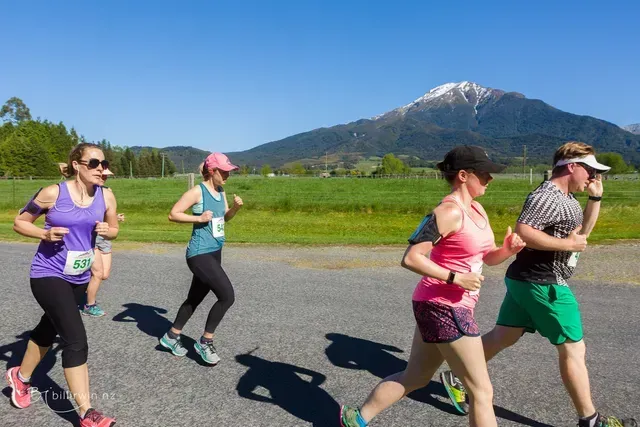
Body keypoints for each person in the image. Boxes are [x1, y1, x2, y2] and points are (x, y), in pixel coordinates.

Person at [440, 142, 637, 427]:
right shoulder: (547, 195)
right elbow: (524, 231)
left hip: (525, 281)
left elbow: (580, 238)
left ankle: (457, 375)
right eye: (590, 171)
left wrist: (595, 201)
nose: (593, 177)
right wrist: (565, 243)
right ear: (572, 166)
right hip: (543, 283)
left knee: (503, 337)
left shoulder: (568, 198)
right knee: (573, 349)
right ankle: (591, 421)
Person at [340, 145, 526, 427]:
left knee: (414, 377)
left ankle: (355, 419)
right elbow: (411, 258)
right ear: (464, 175)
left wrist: (507, 250)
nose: (491, 179)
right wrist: (455, 278)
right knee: (482, 391)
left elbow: (485, 257)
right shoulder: (447, 212)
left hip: (447, 306)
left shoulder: (477, 209)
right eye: (485, 173)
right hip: (442, 306)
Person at [6, 143, 119, 427]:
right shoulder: (53, 192)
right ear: (77, 164)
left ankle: (20, 378)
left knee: (49, 329)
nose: (100, 169)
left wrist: (110, 231)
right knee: (75, 339)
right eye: (93, 163)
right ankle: (87, 413)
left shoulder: (106, 196)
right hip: (47, 273)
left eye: (103, 164)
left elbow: (114, 228)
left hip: (78, 277)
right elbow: (20, 222)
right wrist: (45, 233)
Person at [159, 152, 243, 365]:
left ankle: (171, 336)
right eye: (223, 172)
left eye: (229, 172)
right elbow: (173, 214)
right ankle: (205, 341)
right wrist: (198, 217)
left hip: (215, 251)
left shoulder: (221, 190)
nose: (227, 176)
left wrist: (235, 208)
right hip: (199, 254)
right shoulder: (198, 191)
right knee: (227, 296)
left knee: (194, 298)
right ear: (212, 171)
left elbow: (224, 218)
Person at [82, 168, 125, 317]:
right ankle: (89, 305)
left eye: (106, 176)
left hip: (104, 238)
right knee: (98, 274)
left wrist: (115, 217)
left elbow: (108, 214)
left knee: (104, 274)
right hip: (91, 238)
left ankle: (81, 281)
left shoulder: (107, 192)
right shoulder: (86, 192)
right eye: (103, 175)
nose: (104, 177)